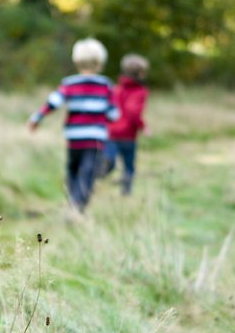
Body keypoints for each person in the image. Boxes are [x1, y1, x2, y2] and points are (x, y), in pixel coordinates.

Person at [28, 37, 119, 213]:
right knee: (88, 172)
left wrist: (36, 118)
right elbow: (113, 114)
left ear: (76, 60)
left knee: (73, 170)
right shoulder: (105, 85)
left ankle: (72, 201)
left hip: (74, 137)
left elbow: (54, 102)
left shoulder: (69, 83)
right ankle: (77, 207)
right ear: (100, 62)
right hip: (94, 138)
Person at [103, 53, 149, 195]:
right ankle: (126, 193)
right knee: (129, 167)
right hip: (128, 135)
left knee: (109, 161)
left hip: (111, 133)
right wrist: (143, 126)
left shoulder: (115, 89)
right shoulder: (140, 91)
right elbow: (133, 112)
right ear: (140, 73)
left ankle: (98, 174)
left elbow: (108, 109)